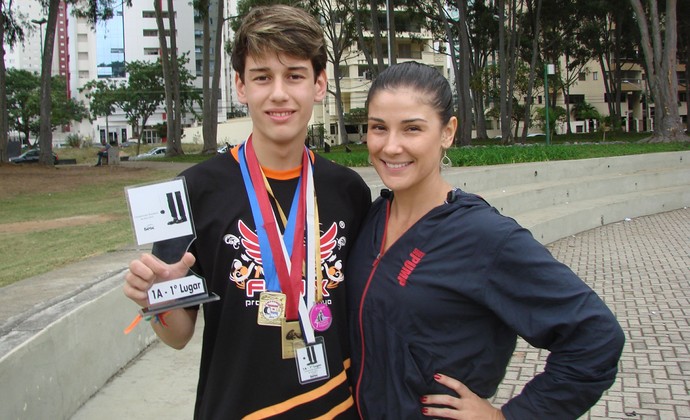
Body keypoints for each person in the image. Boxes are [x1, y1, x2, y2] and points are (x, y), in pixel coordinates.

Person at [123, 5, 371, 419]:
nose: (279, 93)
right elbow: (179, 336)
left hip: (335, 407)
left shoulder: (349, 191)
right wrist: (158, 301)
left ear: (319, 83)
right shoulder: (193, 191)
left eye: (294, 75)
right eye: (262, 77)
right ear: (240, 86)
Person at [346, 61, 625, 419]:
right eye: (378, 128)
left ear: (447, 132)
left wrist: (509, 417)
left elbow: (596, 338)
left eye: (412, 128)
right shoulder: (371, 219)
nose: (391, 146)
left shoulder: (485, 237)